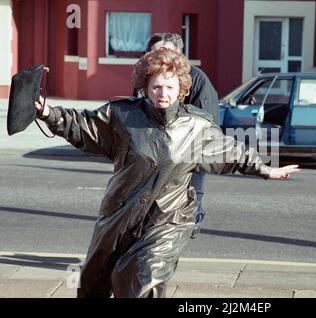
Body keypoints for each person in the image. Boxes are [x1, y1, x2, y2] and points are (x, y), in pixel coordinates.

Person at [34, 48, 300, 298]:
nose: (163, 93)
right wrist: (47, 113)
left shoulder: (197, 126)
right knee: (95, 283)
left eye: (170, 86)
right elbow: (84, 127)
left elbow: (233, 152)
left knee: (147, 279)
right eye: (157, 86)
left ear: (181, 89)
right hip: (119, 216)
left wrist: (265, 169)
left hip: (167, 220)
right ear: (146, 88)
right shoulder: (123, 115)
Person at [144, 33, 218, 239]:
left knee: (191, 198)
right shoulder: (146, 78)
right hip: (156, 154)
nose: (161, 56)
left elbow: (207, 123)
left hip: (190, 153)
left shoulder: (197, 79)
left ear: (179, 53)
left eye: (166, 51)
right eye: (155, 51)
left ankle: (185, 232)